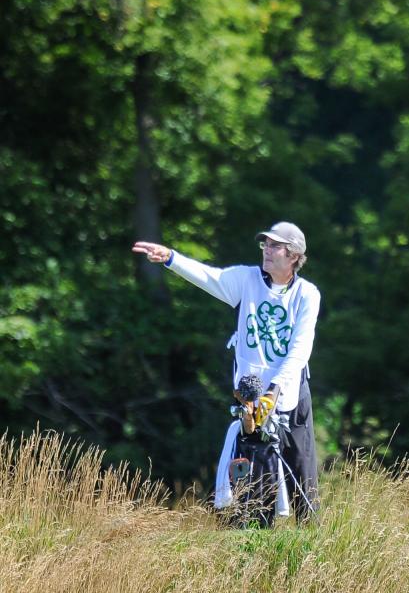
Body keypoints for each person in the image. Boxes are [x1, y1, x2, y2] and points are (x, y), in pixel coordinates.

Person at [132, 222, 321, 521]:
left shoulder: (307, 294)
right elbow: (210, 277)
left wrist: (275, 391)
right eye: (265, 245)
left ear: (294, 255)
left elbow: (300, 350)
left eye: (275, 246)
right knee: (252, 482)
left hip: (290, 394)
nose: (267, 251)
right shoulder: (247, 280)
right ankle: (251, 544)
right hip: (251, 397)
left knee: (302, 476)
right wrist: (171, 258)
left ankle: (309, 546)